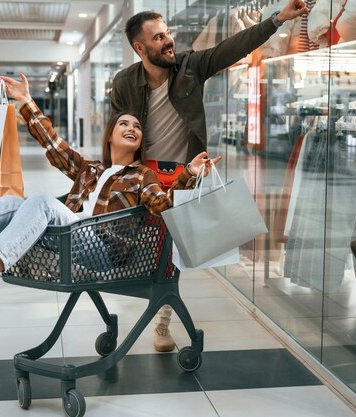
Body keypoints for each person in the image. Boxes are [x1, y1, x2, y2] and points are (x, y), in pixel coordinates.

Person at [0, 73, 220, 312]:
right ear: (110, 136)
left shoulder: (141, 175)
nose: (132, 128)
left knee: (42, 201)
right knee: (17, 202)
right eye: (124, 124)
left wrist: (188, 175)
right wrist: (27, 102)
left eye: (136, 126)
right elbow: (54, 146)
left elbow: (166, 206)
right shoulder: (91, 169)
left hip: (101, 248)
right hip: (68, 235)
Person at [111, 0, 309, 352]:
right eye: (158, 38)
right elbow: (119, 132)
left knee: (172, 253)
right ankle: (151, 305)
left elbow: (231, 48)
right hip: (145, 178)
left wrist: (277, 18)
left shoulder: (190, 66)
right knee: (144, 249)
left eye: (168, 33)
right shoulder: (125, 82)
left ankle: (162, 323)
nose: (168, 41)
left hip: (185, 177)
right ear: (140, 48)